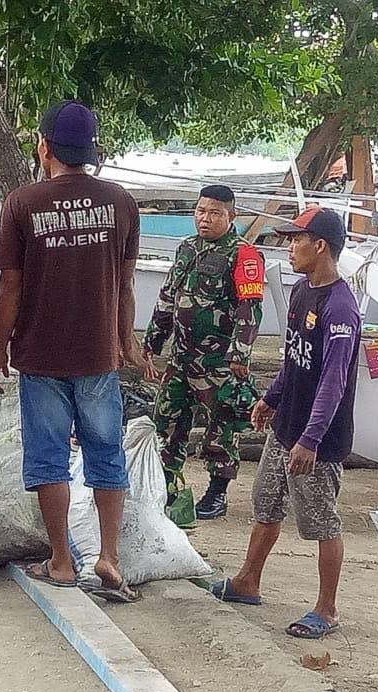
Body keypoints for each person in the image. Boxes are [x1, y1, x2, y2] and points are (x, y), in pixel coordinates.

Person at [0, 100, 145, 602]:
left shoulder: (22, 203)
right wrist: (125, 342)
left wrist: (0, 348)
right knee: (106, 453)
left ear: (45, 148)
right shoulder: (121, 202)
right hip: (99, 356)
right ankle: (109, 557)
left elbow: (10, 286)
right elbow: (126, 285)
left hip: (40, 354)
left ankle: (60, 560)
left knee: (49, 458)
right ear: (91, 151)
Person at [212, 207, 360, 640]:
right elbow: (294, 358)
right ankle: (248, 580)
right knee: (266, 502)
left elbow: (333, 382)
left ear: (321, 246)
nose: (290, 248)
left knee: (321, 521)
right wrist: (271, 398)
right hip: (287, 426)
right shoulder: (300, 290)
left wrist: (311, 439)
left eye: (297, 240)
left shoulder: (340, 309)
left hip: (318, 439)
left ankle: (327, 609)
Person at [143, 185, 264, 520]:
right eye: (200, 211)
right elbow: (167, 297)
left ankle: (217, 491)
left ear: (231, 216)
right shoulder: (187, 248)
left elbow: (250, 308)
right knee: (167, 421)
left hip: (219, 362)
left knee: (221, 427)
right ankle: (165, 486)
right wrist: (152, 343)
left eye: (214, 213)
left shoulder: (244, 255)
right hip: (181, 358)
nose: (205, 219)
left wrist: (240, 354)